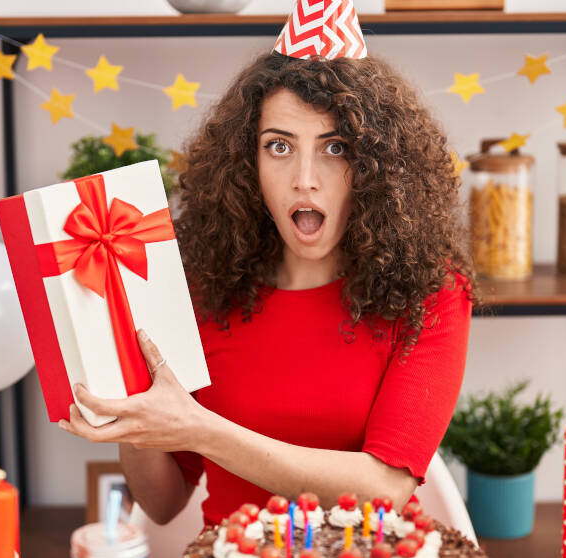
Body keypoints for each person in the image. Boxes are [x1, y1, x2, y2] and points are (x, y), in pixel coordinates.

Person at [58, 4, 474, 529]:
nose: (304, 179)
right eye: (279, 146)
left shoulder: (431, 292)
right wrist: (131, 409)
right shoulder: (202, 285)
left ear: (378, 166)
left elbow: (383, 488)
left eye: (335, 148)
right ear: (247, 162)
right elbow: (162, 504)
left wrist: (198, 430)